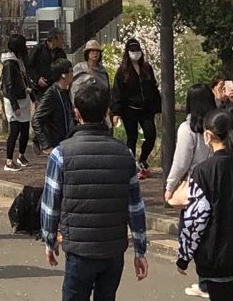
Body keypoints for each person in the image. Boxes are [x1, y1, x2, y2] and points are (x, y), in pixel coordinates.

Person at [38, 76, 149, 301]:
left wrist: (49, 240)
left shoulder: (61, 154)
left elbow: (51, 205)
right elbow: (135, 207)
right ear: (106, 113)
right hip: (113, 250)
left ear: (77, 113)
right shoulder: (125, 154)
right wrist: (140, 250)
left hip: (78, 249)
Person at [168, 110, 233, 301]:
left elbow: (196, 219)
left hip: (216, 256)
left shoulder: (203, 172)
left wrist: (184, 257)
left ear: (208, 135)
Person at [110, 38, 162, 178]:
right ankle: (132, 166)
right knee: (131, 138)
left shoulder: (146, 67)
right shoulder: (122, 71)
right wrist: (116, 111)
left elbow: (153, 87)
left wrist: (158, 106)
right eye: (133, 51)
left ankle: (143, 159)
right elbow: (117, 92)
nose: (136, 53)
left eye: (138, 50)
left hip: (146, 110)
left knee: (151, 136)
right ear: (128, 52)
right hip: (129, 110)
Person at [166, 84, 218, 203]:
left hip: (196, 184)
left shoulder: (187, 129)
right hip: (218, 180)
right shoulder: (218, 126)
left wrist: (170, 187)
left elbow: (181, 162)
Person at [0, 33, 34, 171]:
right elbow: (9, 86)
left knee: (25, 129)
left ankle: (21, 155)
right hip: (13, 100)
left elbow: (25, 80)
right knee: (14, 130)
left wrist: (32, 98)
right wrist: (15, 105)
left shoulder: (19, 61)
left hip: (23, 97)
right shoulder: (9, 63)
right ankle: (8, 161)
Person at [32, 61, 74, 153]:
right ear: (63, 75)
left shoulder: (65, 92)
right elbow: (36, 120)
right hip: (56, 145)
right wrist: (46, 145)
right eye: (70, 71)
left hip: (66, 143)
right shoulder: (51, 94)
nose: (72, 74)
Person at [27, 30, 68, 99]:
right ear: (53, 40)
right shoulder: (38, 49)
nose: (63, 41)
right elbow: (29, 66)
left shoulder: (60, 52)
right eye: (61, 39)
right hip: (40, 90)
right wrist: (37, 79)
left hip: (56, 88)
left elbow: (65, 67)